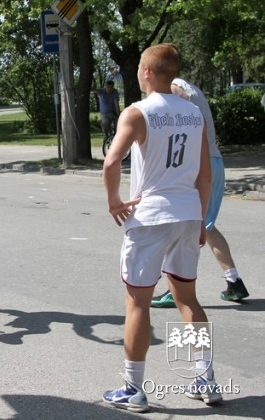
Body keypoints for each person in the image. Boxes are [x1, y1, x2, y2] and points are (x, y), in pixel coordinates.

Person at [102, 44, 222, 412]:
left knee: (138, 301)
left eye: (139, 67)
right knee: (187, 298)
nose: (138, 72)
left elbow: (110, 162)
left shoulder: (138, 112)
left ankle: (133, 388)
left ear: (149, 72)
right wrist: (201, 220)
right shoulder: (193, 113)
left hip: (151, 215)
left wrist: (114, 202)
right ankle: (207, 379)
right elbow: (204, 176)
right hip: (187, 213)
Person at [151, 77, 249, 307]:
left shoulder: (174, 88)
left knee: (180, 225)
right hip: (214, 160)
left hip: (197, 162)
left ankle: (175, 289)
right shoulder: (191, 87)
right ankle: (234, 281)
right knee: (206, 225)